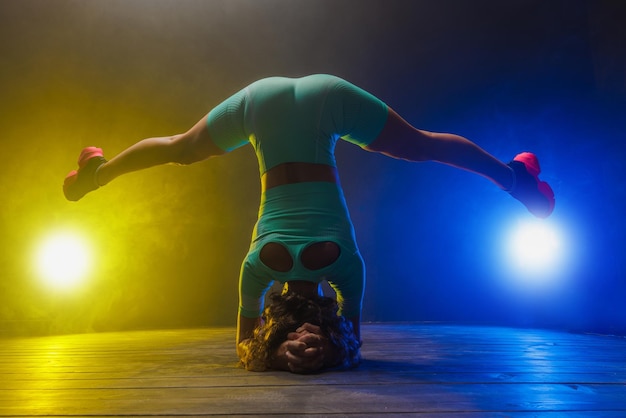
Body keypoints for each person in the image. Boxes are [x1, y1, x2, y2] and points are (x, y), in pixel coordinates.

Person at [63, 74, 555, 373]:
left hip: (299, 102)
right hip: (276, 104)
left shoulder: (331, 272)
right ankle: (96, 174)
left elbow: (339, 345)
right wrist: (290, 353)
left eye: (295, 342)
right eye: (315, 343)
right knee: (180, 150)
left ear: (290, 324)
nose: (306, 343)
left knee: (179, 149)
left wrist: (288, 356)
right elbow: (329, 345)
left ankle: (516, 180)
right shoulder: (267, 270)